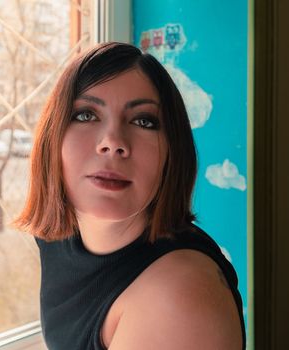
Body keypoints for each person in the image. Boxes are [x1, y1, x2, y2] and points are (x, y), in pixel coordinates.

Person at [14, 42, 245, 349]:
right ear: (52, 136)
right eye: (86, 115)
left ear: (172, 154)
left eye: (143, 121)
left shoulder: (176, 295)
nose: (112, 142)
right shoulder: (59, 238)